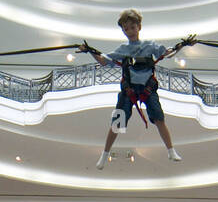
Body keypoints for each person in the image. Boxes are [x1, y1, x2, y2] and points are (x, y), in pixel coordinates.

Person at [78, 10, 195, 169]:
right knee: (117, 122)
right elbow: (104, 61)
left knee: (159, 118)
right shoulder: (122, 49)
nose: (130, 32)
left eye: (132, 27)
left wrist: (183, 45)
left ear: (139, 27)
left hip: (147, 87)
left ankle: (171, 150)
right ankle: (105, 154)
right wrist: (89, 50)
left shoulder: (149, 45)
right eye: (126, 29)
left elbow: (167, 54)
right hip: (129, 90)